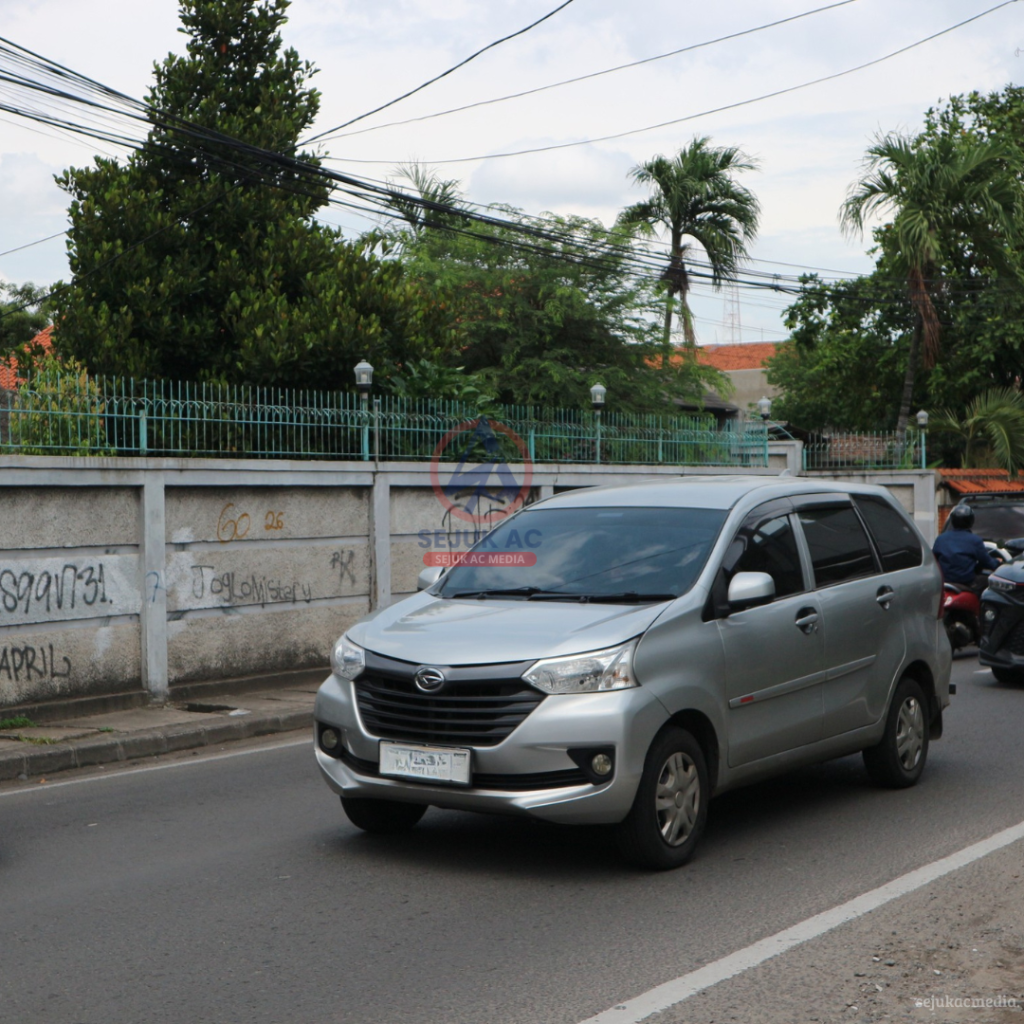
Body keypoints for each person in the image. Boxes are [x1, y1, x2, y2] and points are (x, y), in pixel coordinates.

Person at [933, 504, 999, 591]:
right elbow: (987, 562)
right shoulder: (975, 540)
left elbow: (933, 560)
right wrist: (998, 562)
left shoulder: (941, 539)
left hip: (944, 582)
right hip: (966, 583)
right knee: (988, 581)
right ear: (971, 521)